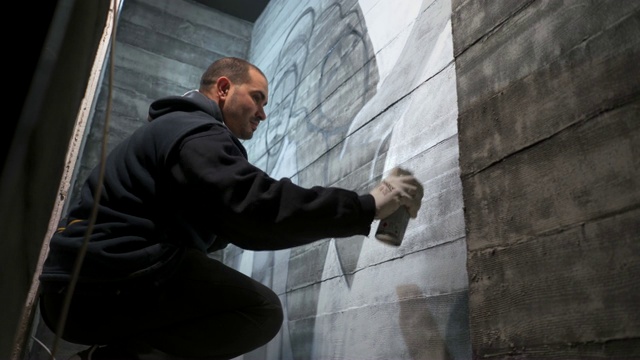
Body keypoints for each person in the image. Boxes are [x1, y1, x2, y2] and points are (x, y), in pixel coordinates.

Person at [38, 57, 423, 359]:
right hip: (103, 283)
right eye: (257, 97)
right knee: (257, 313)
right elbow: (254, 207)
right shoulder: (193, 131)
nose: (262, 113)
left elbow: (232, 217)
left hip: (75, 292)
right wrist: (367, 205)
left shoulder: (176, 131)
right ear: (224, 88)